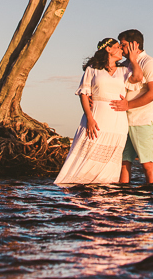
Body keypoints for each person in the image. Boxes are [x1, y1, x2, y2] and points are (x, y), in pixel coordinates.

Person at [54, 38, 143, 185]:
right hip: (96, 116)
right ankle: (78, 185)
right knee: (88, 149)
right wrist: (89, 118)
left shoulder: (124, 70)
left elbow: (138, 77)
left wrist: (133, 59)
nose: (122, 50)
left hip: (117, 119)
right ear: (108, 49)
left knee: (111, 158)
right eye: (118, 47)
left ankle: (107, 187)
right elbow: (84, 93)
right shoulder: (92, 69)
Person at [111, 29, 153, 184]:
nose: (121, 47)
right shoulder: (125, 64)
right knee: (124, 163)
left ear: (134, 45)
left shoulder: (149, 63)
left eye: (124, 44)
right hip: (125, 121)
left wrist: (128, 105)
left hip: (143, 121)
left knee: (147, 164)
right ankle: (123, 198)